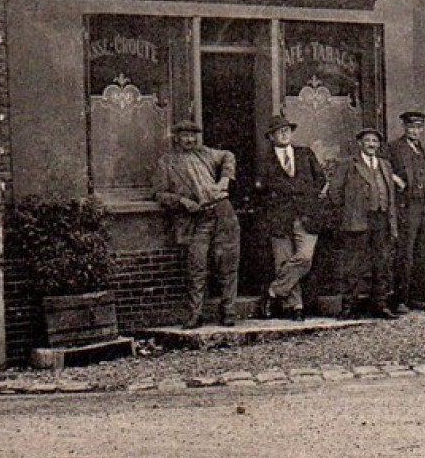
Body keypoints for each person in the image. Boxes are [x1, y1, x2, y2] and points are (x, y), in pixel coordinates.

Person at [153, 120, 239, 329]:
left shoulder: (207, 153)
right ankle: (195, 314)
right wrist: (182, 201)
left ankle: (229, 311)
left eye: (193, 135)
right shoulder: (167, 162)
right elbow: (158, 193)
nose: (190, 139)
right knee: (196, 267)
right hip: (195, 219)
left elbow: (228, 155)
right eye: (185, 136)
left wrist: (225, 179)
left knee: (227, 264)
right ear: (177, 137)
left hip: (222, 212)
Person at [253, 114, 327, 320]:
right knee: (284, 261)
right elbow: (260, 190)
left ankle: (273, 292)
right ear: (271, 137)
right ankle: (296, 307)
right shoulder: (264, 160)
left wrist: (308, 199)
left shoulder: (305, 153)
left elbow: (320, 179)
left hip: (306, 215)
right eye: (279, 131)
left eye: (287, 130)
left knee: (304, 258)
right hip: (279, 217)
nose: (284, 134)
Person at [325, 126, 399, 320]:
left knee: (381, 263)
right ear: (360, 143)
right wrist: (349, 212)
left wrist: (391, 221)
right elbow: (334, 192)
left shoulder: (384, 165)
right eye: (368, 141)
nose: (371, 144)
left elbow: (390, 193)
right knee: (354, 265)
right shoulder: (348, 164)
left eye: (375, 141)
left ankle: (380, 305)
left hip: (381, 219)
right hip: (357, 220)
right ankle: (349, 306)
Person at [388, 110, 425, 312]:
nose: (415, 131)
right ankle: (401, 299)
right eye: (412, 127)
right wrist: (397, 180)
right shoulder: (394, 148)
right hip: (408, 206)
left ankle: (419, 297)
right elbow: (384, 167)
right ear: (405, 127)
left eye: (419, 127)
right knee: (406, 253)